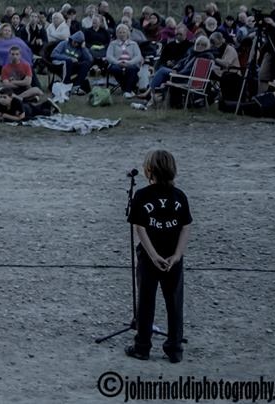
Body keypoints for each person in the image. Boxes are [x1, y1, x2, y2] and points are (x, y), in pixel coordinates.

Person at [125, 150, 192, 364]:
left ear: (148, 171)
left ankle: (142, 347)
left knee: (145, 301)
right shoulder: (180, 196)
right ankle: (174, 348)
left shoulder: (142, 196)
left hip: (149, 258)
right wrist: (177, 255)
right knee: (174, 302)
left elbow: (140, 228)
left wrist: (153, 256)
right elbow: (185, 227)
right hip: (173, 258)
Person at [106, 24, 143, 98]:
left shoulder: (133, 44)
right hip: (116, 64)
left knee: (132, 69)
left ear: (127, 33)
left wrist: (129, 63)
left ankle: (127, 91)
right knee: (115, 69)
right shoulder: (113, 44)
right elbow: (109, 56)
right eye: (120, 32)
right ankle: (126, 88)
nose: (122, 34)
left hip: (130, 64)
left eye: (124, 32)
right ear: (117, 34)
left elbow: (138, 56)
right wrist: (118, 63)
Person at [51, 31, 93, 95]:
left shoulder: (80, 49)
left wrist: (83, 48)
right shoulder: (64, 43)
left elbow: (90, 59)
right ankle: (66, 85)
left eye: (78, 43)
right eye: (75, 42)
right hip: (60, 64)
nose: (75, 44)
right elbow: (53, 54)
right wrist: (69, 58)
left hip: (73, 66)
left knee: (86, 64)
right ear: (72, 39)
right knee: (68, 61)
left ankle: (76, 86)